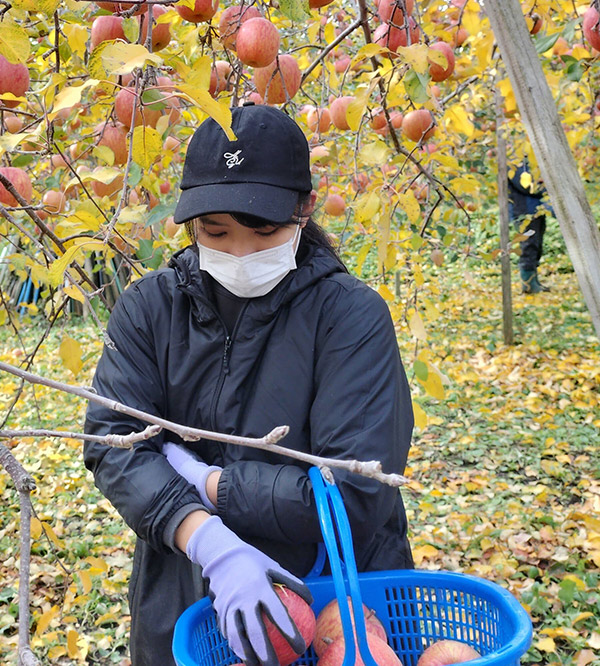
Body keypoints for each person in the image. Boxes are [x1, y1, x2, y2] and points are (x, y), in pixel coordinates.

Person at [82, 104, 414, 666]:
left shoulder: (351, 318)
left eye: (263, 232)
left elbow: (351, 494)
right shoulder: (149, 309)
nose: (239, 253)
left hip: (340, 604)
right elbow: (114, 444)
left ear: (304, 211)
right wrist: (210, 544)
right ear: (190, 225)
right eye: (216, 232)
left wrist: (212, 485)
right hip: (185, 590)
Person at [507, 160, 552, 294]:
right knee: (529, 244)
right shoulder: (515, 162)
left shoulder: (526, 158)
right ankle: (528, 284)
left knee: (536, 244)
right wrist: (546, 188)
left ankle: (533, 280)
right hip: (524, 209)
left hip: (535, 207)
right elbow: (525, 185)